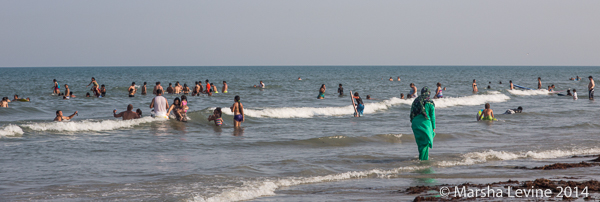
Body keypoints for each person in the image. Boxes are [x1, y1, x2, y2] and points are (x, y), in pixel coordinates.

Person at [410, 86, 436, 161]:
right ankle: (423, 161)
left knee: (420, 143)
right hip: (425, 124)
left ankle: (422, 158)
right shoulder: (430, 102)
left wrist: (413, 123)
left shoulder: (416, 101)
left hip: (415, 124)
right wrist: (433, 128)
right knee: (425, 143)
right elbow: (432, 117)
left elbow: (412, 114)